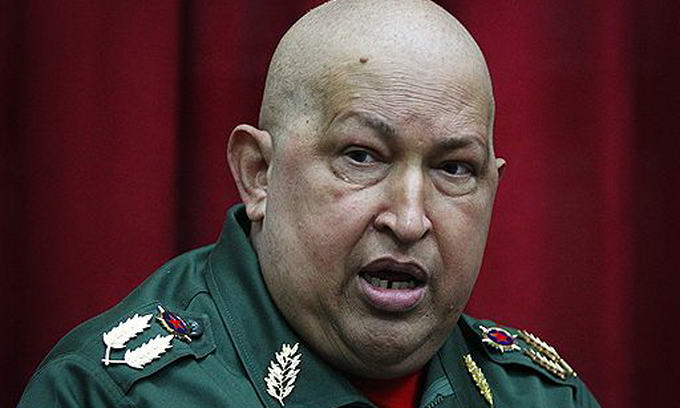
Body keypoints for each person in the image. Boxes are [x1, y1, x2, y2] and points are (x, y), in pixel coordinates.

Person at [18, 0, 600, 407]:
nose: (408, 219)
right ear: (258, 174)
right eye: (361, 156)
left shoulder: (542, 396)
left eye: (454, 169)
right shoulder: (108, 394)